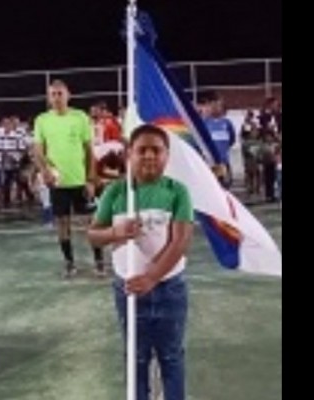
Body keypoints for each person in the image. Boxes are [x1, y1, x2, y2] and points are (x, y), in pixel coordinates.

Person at [88, 124, 194, 400]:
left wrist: (152, 277)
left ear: (166, 155)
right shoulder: (116, 193)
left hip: (169, 289)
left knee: (171, 356)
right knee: (136, 359)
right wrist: (115, 232)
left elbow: (180, 242)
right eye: (141, 150)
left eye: (156, 150)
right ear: (129, 155)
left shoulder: (177, 192)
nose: (148, 156)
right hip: (129, 292)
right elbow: (93, 235)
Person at [32, 80, 105, 279]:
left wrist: (91, 179)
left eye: (60, 93)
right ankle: (69, 262)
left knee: (90, 223)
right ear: (48, 97)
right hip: (58, 183)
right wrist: (45, 170)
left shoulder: (80, 117)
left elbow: (89, 150)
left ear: (68, 95)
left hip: (80, 181)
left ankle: (99, 261)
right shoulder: (42, 120)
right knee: (62, 224)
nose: (56, 98)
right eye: (53, 94)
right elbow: (38, 150)